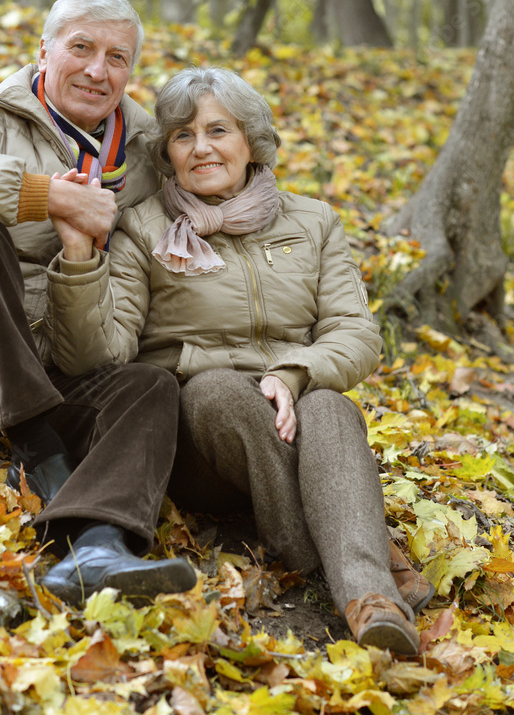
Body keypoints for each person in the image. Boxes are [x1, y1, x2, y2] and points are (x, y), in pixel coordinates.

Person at [44, 66, 433, 652]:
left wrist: (292, 373)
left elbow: (355, 332)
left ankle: (368, 599)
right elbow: (102, 351)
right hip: (201, 436)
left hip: (299, 419)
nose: (201, 148)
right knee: (220, 389)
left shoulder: (313, 221)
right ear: (166, 153)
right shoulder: (145, 229)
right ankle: (351, 546)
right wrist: (77, 261)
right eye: (182, 135)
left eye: (219, 130)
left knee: (328, 404)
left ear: (251, 141)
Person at [0, 0, 196, 603]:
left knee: (151, 386)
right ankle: (36, 445)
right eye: (81, 47)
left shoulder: (146, 154)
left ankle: (99, 545)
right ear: (45, 51)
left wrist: (82, 250)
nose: (96, 69)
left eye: (117, 57)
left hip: (57, 364)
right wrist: (44, 196)